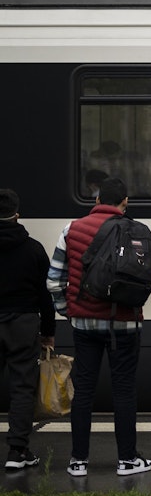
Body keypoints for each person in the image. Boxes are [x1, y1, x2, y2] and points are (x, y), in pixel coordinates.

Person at [46, 177, 151, 477]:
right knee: (124, 390)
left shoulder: (72, 229)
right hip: (125, 324)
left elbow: (54, 279)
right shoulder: (136, 230)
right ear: (125, 202)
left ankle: (78, 461)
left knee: (83, 390)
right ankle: (127, 460)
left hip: (83, 323)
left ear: (95, 201)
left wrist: (68, 312)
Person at [0, 189, 55, 471]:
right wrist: (48, 330)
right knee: (22, 387)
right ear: (17, 214)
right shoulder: (32, 248)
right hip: (23, 323)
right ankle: (17, 451)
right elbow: (46, 296)